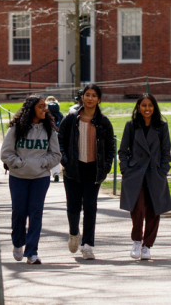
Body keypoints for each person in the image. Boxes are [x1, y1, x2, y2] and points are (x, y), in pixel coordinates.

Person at [0, 95, 61, 265]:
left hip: (40, 178)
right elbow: (5, 153)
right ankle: (18, 243)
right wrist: (19, 164)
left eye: (45, 106)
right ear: (31, 108)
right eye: (41, 106)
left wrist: (42, 163)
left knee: (36, 214)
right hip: (18, 177)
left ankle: (32, 251)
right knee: (19, 213)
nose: (45, 109)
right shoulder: (16, 129)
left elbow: (56, 155)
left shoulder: (49, 129)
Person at [57, 83, 115, 260]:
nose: (90, 98)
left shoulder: (103, 122)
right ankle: (74, 233)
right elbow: (60, 141)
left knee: (90, 207)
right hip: (74, 168)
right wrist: (65, 161)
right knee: (73, 207)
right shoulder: (71, 119)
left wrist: (106, 166)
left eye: (94, 95)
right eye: (87, 95)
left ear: (99, 99)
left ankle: (88, 244)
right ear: (82, 97)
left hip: (93, 169)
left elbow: (111, 147)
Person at [118, 94, 171, 260]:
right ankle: (136, 240)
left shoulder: (162, 126)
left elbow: (166, 152)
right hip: (135, 174)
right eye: (143, 105)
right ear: (138, 107)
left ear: (154, 107)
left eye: (150, 105)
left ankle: (147, 245)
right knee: (138, 208)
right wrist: (126, 170)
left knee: (154, 210)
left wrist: (163, 170)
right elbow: (122, 151)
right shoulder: (131, 126)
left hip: (155, 173)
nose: (147, 108)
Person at [45, 96, 64, 181]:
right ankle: (56, 173)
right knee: (56, 154)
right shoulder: (59, 114)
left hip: (47, 135)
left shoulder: (46, 113)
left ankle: (46, 172)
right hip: (58, 136)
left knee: (46, 154)